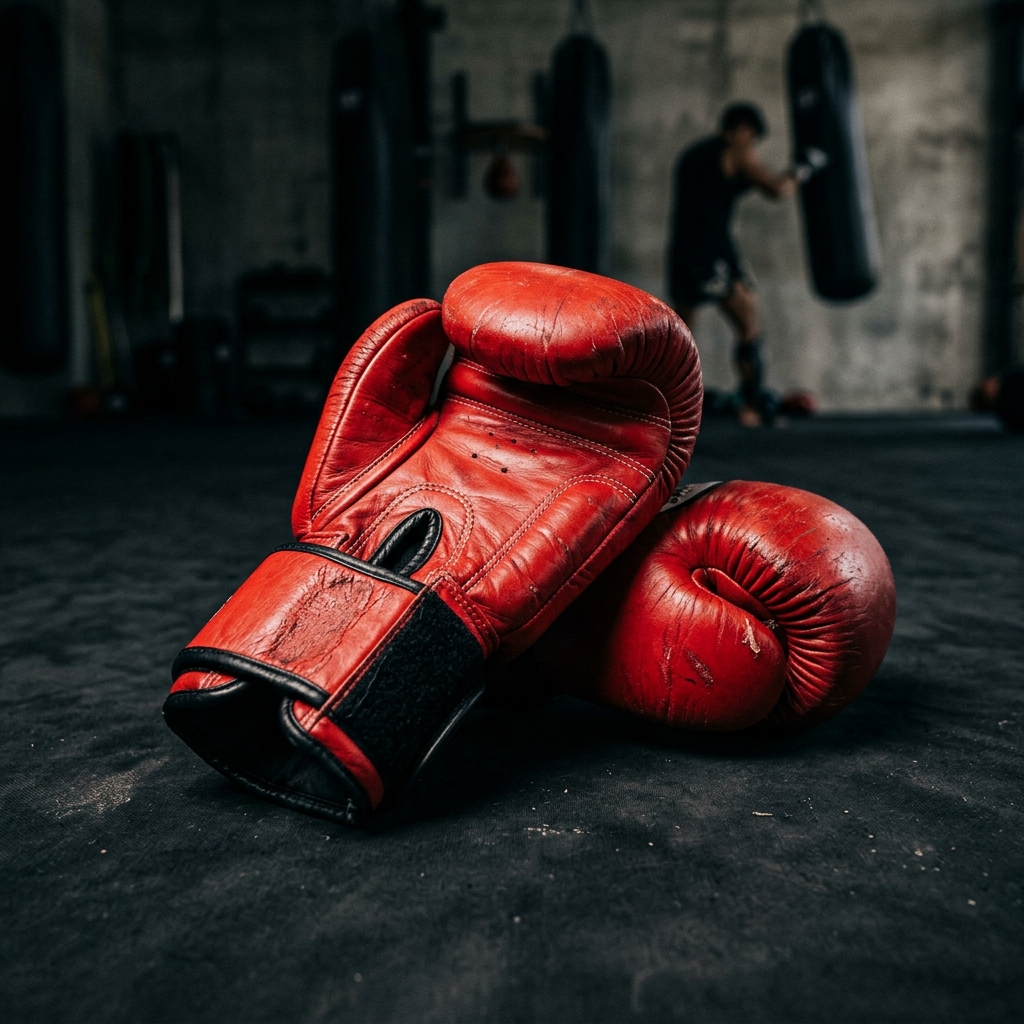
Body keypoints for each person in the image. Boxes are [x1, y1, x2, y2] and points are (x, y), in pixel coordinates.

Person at [668, 102, 809, 426]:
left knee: (681, 336)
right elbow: (777, 189)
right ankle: (752, 408)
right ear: (742, 130)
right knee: (748, 322)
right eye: (752, 137)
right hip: (712, 250)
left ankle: (670, 415)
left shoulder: (693, 155)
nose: (752, 145)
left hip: (682, 251)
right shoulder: (735, 152)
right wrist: (803, 169)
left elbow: (719, 189)